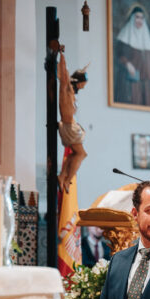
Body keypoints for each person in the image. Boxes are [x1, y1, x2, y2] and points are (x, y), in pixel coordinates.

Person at [114, 6, 150, 107]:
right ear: (133, 18)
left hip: (146, 81)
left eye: (142, 18)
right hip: (131, 80)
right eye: (137, 17)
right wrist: (127, 64)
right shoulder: (124, 36)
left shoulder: (146, 37)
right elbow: (119, 55)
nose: (139, 20)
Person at [57, 52, 88, 193]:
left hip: (69, 124)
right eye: (84, 83)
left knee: (74, 153)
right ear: (79, 81)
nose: (84, 85)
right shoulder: (67, 88)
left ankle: (63, 175)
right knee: (81, 154)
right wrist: (62, 55)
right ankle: (68, 179)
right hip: (68, 126)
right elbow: (64, 74)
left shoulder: (71, 91)